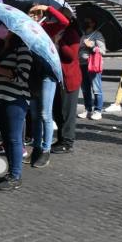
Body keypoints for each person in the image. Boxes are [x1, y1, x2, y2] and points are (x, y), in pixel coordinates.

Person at [0, 21, 33, 191]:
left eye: (4, 26)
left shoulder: (22, 49)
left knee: (14, 138)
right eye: (0, 25)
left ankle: (16, 175)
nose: (1, 29)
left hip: (15, 99)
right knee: (6, 138)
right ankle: (11, 172)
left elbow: (23, 75)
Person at [26, 4, 69, 168]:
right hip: (32, 74)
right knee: (35, 114)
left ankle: (46, 149)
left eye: (35, 13)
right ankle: (37, 147)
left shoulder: (46, 27)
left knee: (45, 113)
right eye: (30, 14)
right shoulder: (26, 30)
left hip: (46, 73)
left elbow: (64, 22)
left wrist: (49, 8)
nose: (33, 16)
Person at [52, 8, 81, 153]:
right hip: (58, 77)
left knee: (67, 112)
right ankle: (61, 139)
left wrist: (59, 43)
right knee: (57, 111)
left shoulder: (72, 34)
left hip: (69, 78)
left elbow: (71, 56)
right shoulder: (59, 32)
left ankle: (68, 142)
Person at [78, 15, 106, 120]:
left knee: (96, 88)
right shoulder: (83, 35)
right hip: (82, 64)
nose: (85, 23)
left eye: (88, 21)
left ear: (93, 23)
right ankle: (88, 109)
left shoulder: (97, 35)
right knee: (85, 89)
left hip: (92, 65)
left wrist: (92, 47)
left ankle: (98, 110)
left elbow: (103, 51)